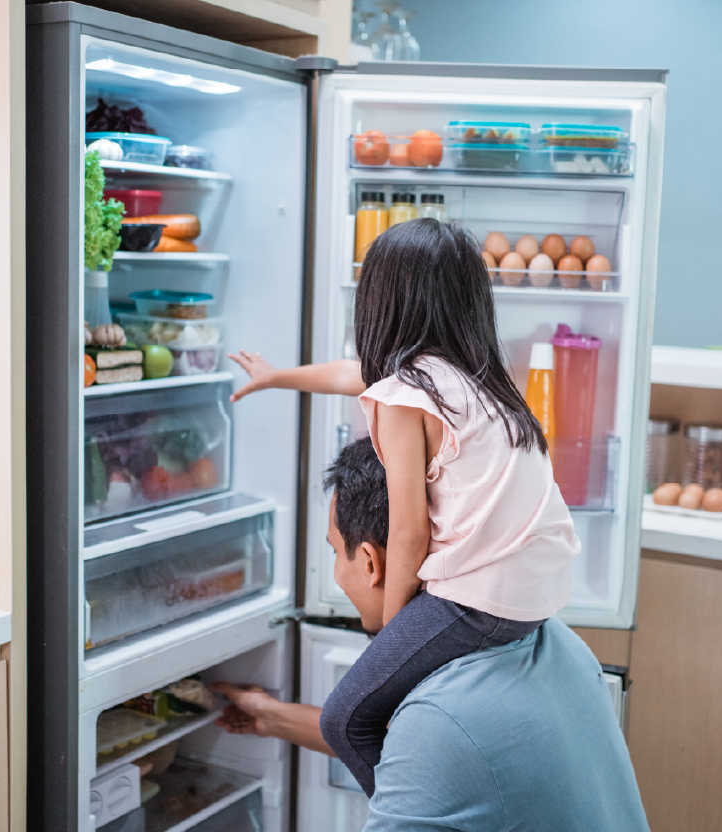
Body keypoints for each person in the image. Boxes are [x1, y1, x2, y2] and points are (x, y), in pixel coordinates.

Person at [227, 219, 581, 796]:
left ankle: (410, 810)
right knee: (384, 700)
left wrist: (388, 636)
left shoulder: (404, 397)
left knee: (348, 718)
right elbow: (349, 373)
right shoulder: (473, 381)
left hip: (479, 599)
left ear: (379, 304)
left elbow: (411, 533)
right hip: (536, 595)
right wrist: (276, 377)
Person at [213, 439, 650, 831]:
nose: (336, 571)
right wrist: (270, 716)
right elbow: (428, 750)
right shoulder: (557, 643)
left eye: (333, 551)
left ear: (369, 562)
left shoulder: (438, 723)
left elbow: (429, 747)